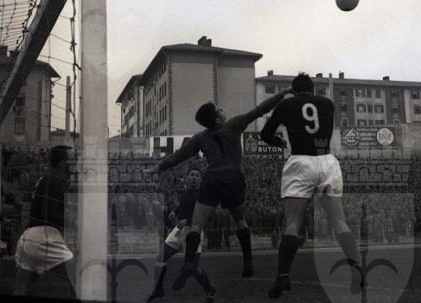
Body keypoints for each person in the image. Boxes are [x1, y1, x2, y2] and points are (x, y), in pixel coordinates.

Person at [145, 88, 291, 293]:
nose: (221, 109)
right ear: (216, 118)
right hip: (233, 178)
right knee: (240, 220)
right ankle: (248, 260)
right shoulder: (234, 124)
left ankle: (188, 263)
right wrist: (282, 93)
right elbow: (261, 109)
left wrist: (158, 167)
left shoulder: (200, 137)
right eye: (217, 109)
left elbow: (179, 156)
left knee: (196, 225)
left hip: (212, 179)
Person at [260, 73, 364, 299]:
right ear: (313, 89)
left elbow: (265, 134)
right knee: (339, 221)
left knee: (293, 223)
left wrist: (278, 141)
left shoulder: (286, 105)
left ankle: (283, 275)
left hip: (301, 161)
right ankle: (356, 267)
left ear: (294, 90)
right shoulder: (327, 103)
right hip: (326, 161)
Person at [12, 145, 75, 299]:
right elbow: (48, 213)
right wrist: (73, 222)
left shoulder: (46, 180)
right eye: (73, 160)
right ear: (62, 164)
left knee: (20, 290)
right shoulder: (55, 182)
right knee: (80, 278)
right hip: (44, 238)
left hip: (29, 239)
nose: (76, 163)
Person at [147, 167, 212, 302]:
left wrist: (187, 221)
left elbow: (206, 217)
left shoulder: (203, 195)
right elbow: (182, 206)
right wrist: (175, 212)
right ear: (187, 178)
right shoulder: (184, 193)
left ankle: (209, 290)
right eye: (192, 175)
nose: (194, 177)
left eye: (197, 176)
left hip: (194, 232)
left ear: (200, 180)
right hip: (179, 231)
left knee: (193, 269)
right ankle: (158, 290)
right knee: (160, 258)